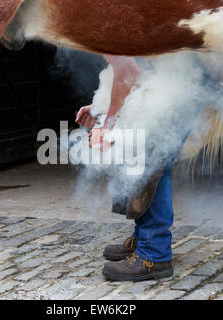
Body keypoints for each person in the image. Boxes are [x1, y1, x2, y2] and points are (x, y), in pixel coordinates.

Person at [75, 55, 186, 281]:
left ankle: (154, 254)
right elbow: (131, 67)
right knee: (145, 158)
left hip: (184, 85)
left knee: (150, 160)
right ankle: (144, 238)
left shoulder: (103, 22)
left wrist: (107, 127)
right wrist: (100, 106)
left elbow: (128, 71)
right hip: (171, 82)